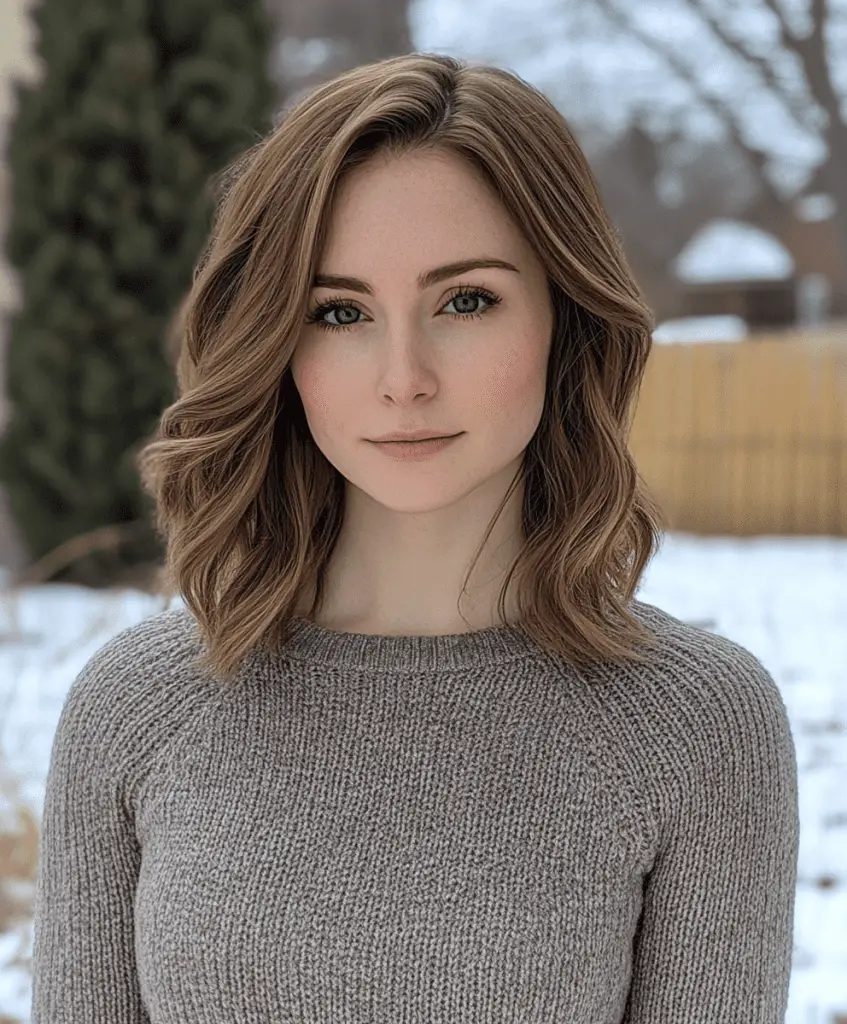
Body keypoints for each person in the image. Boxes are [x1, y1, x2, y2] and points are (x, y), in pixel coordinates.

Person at [30, 51, 799, 1023]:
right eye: (340, 311)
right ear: (279, 342)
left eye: (464, 300)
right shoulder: (136, 711)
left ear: (564, 316)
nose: (404, 376)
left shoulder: (696, 728)